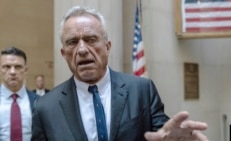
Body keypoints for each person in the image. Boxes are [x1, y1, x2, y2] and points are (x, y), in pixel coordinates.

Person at [31, 6, 208, 141]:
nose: (82, 49)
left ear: (107, 47)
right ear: (64, 54)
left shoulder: (141, 90)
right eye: (72, 42)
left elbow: (163, 134)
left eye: (91, 39)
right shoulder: (45, 107)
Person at [0, 46, 38, 141]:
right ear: (0, 70)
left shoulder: (39, 101)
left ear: (25, 70)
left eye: (18, 67)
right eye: (7, 67)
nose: (12, 72)